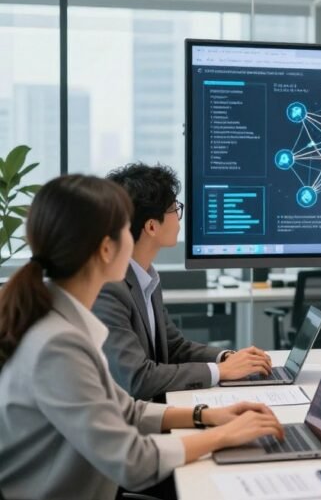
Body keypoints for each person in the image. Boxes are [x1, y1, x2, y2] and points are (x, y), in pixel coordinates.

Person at [0, 175, 284, 500]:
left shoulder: (62, 324)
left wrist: (207, 415)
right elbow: (132, 460)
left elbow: (127, 411)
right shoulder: (56, 344)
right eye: (125, 229)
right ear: (107, 249)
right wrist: (223, 436)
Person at [92, 163, 272, 401]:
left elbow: (174, 347)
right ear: (152, 226)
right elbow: (137, 379)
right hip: (128, 424)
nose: (179, 217)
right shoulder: (109, 288)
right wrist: (221, 372)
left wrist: (227, 358)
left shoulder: (146, 277)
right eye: (174, 208)